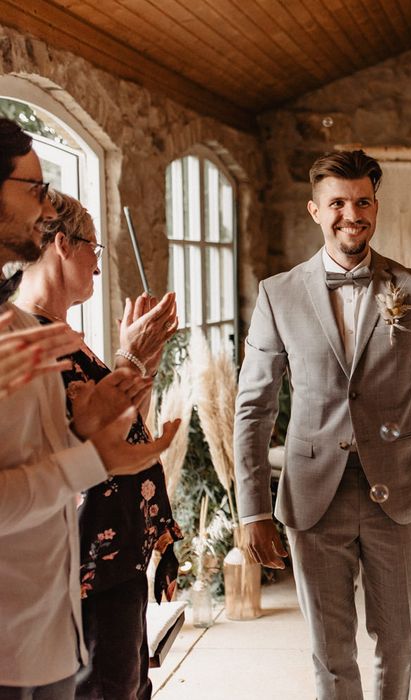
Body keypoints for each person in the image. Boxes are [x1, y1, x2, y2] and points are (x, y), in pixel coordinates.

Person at [234, 149, 411, 700]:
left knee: (400, 641)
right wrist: (252, 510)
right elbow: (254, 407)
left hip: (399, 491)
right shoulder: (278, 294)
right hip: (314, 496)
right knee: (330, 650)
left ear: (376, 207)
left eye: (362, 201)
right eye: (337, 203)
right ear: (315, 210)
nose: (350, 214)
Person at [0, 116, 180, 700]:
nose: (43, 204)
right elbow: (60, 461)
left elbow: (78, 433)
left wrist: (126, 375)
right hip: (59, 578)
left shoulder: (30, 331)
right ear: (62, 245)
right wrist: (127, 366)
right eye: (33, 189)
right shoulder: (24, 336)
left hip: (63, 590)